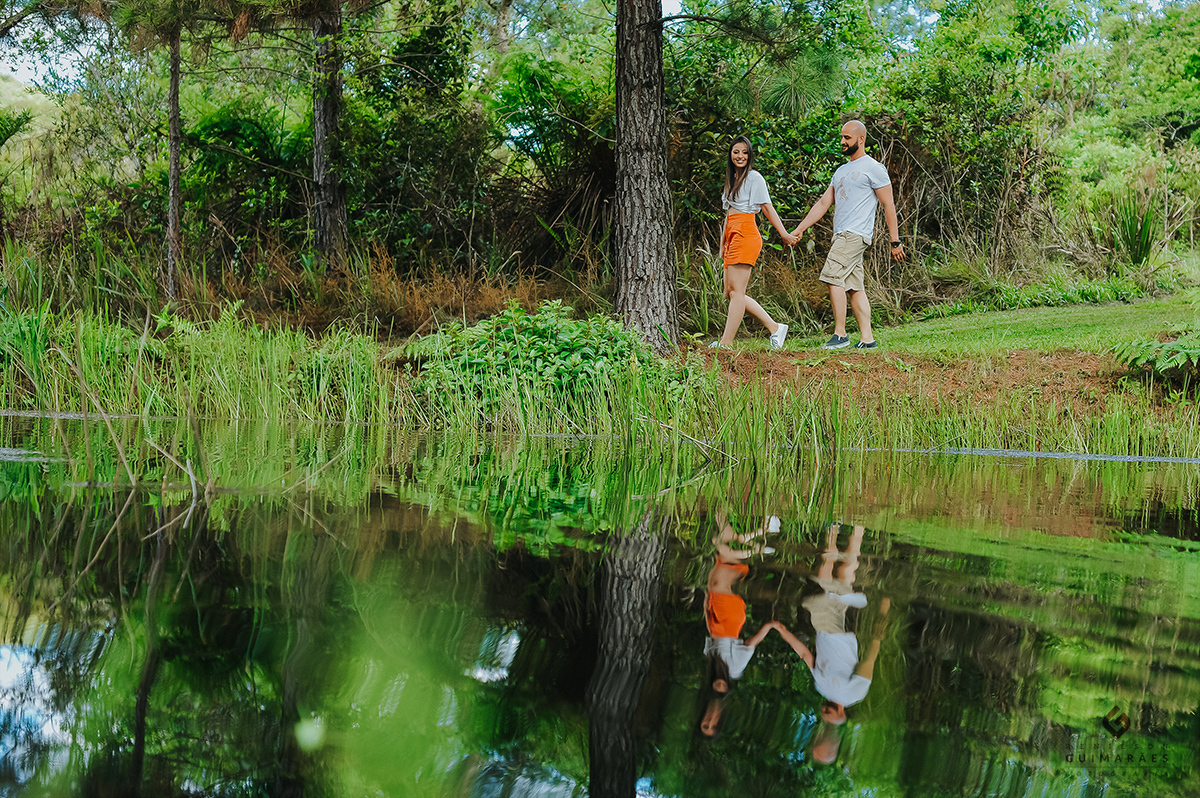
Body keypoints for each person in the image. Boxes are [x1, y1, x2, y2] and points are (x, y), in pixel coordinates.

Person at [768, 524, 891, 762]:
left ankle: (850, 529)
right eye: (823, 738)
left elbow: (806, 656)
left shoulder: (821, 688)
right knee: (828, 580)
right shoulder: (854, 694)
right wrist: (883, 613)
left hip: (824, 627)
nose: (824, 715)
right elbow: (871, 656)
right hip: (837, 629)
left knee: (841, 578)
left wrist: (783, 631)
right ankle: (844, 528)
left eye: (817, 737)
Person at [789, 120, 905, 350]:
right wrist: (800, 228)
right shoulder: (841, 171)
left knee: (832, 276)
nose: (842, 142)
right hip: (841, 234)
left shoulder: (873, 168)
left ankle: (840, 335)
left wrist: (895, 241)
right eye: (841, 137)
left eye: (847, 138)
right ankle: (867, 338)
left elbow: (888, 205)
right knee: (854, 287)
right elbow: (824, 202)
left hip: (854, 234)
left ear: (861, 139)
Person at [711, 136, 797, 351]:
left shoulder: (754, 178)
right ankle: (776, 328)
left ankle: (726, 343)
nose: (740, 156)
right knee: (730, 292)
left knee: (737, 292)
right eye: (736, 152)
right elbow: (728, 214)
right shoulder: (732, 179)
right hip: (732, 233)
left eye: (744, 152)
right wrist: (722, 244)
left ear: (749, 155)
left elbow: (767, 207)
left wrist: (784, 234)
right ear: (730, 155)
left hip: (746, 232)